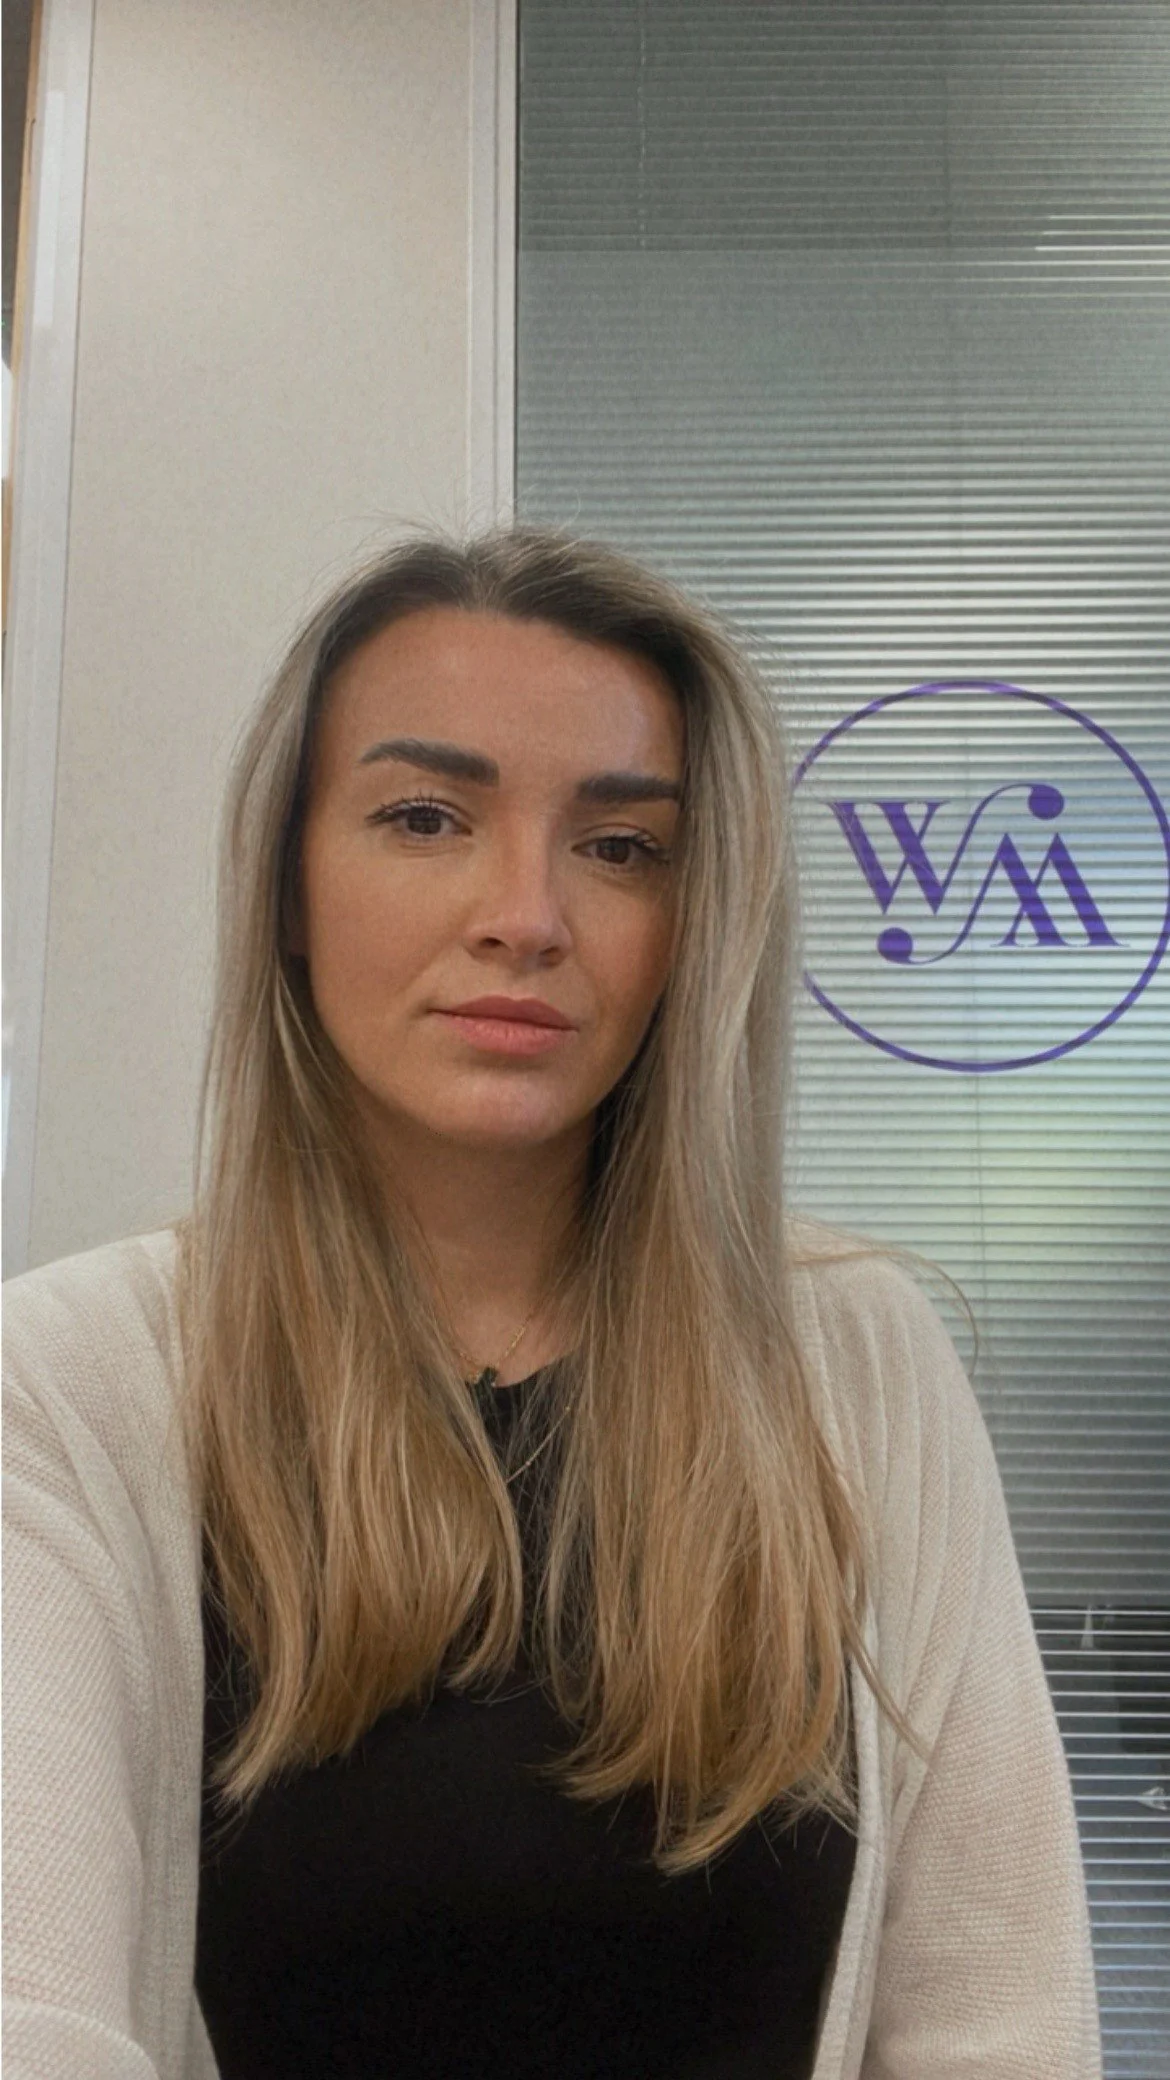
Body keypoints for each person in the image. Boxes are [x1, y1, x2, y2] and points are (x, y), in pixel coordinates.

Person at [4, 526, 1100, 2079]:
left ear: (688, 927)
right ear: (290, 891)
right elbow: (30, 2013)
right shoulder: (68, 1383)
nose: (526, 913)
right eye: (426, 816)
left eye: (620, 847)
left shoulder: (856, 1366)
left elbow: (1001, 2017)